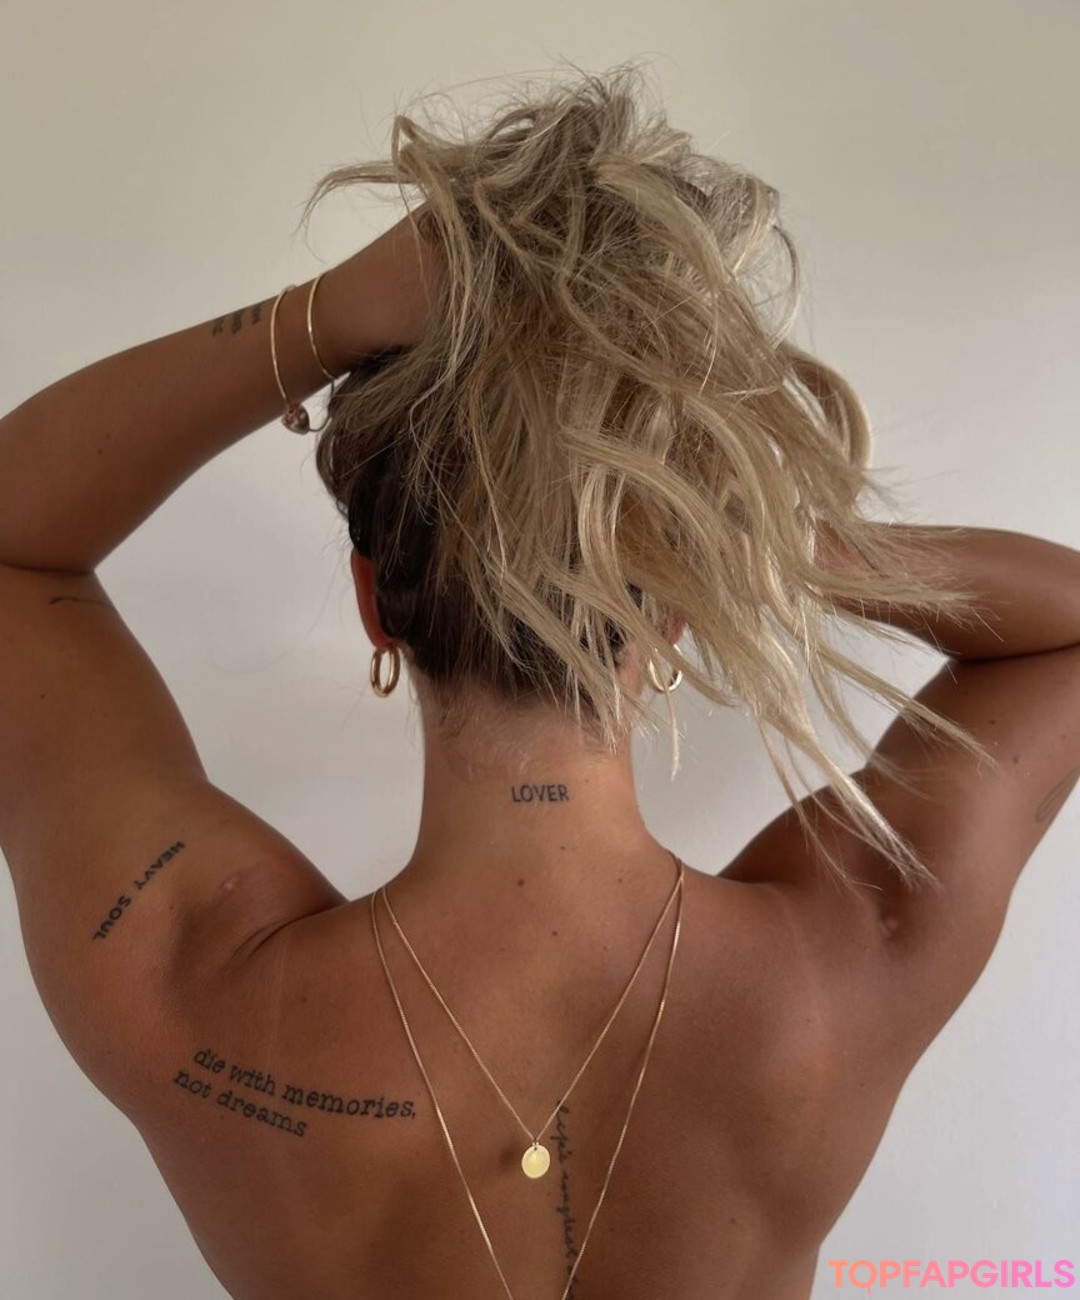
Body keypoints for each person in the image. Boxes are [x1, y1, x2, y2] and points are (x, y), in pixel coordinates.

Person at [1, 64, 1078, 1300]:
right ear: (673, 612)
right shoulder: (851, 958)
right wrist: (749, 540)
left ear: (374, 604)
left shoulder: (192, 979)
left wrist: (324, 315)